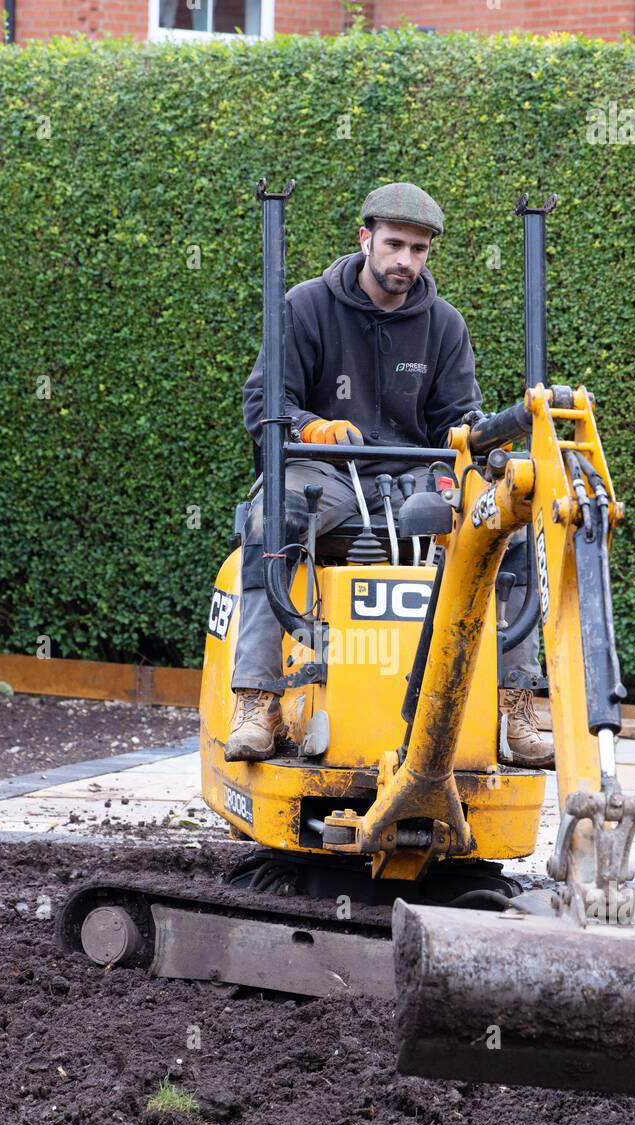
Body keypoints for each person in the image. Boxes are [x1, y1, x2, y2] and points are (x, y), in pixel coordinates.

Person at [226, 181, 553, 769]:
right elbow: (262, 407)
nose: (406, 260)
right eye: (395, 244)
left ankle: (516, 705)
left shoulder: (444, 326)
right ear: (365, 239)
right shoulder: (304, 307)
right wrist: (313, 427)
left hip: (415, 479)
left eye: (419, 249)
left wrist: (482, 438)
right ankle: (257, 701)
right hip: (323, 471)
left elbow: (457, 420)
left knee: (514, 531)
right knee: (274, 517)